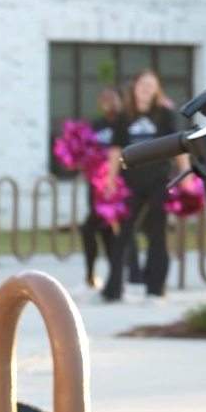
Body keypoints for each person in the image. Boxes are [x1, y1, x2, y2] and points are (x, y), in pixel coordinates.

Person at [106, 69, 184, 303]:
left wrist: (186, 176)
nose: (146, 88)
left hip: (159, 181)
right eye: (142, 84)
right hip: (131, 183)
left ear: (156, 89)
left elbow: (180, 145)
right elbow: (115, 150)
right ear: (134, 87)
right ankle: (113, 289)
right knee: (122, 237)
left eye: (151, 85)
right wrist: (110, 179)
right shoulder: (124, 116)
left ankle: (155, 289)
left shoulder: (165, 114)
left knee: (156, 234)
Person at [80, 86, 124, 287]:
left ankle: (118, 278)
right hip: (97, 187)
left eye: (111, 97)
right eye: (103, 98)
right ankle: (91, 275)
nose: (107, 101)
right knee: (91, 231)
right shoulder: (95, 125)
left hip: (118, 187)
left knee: (115, 234)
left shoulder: (124, 123)